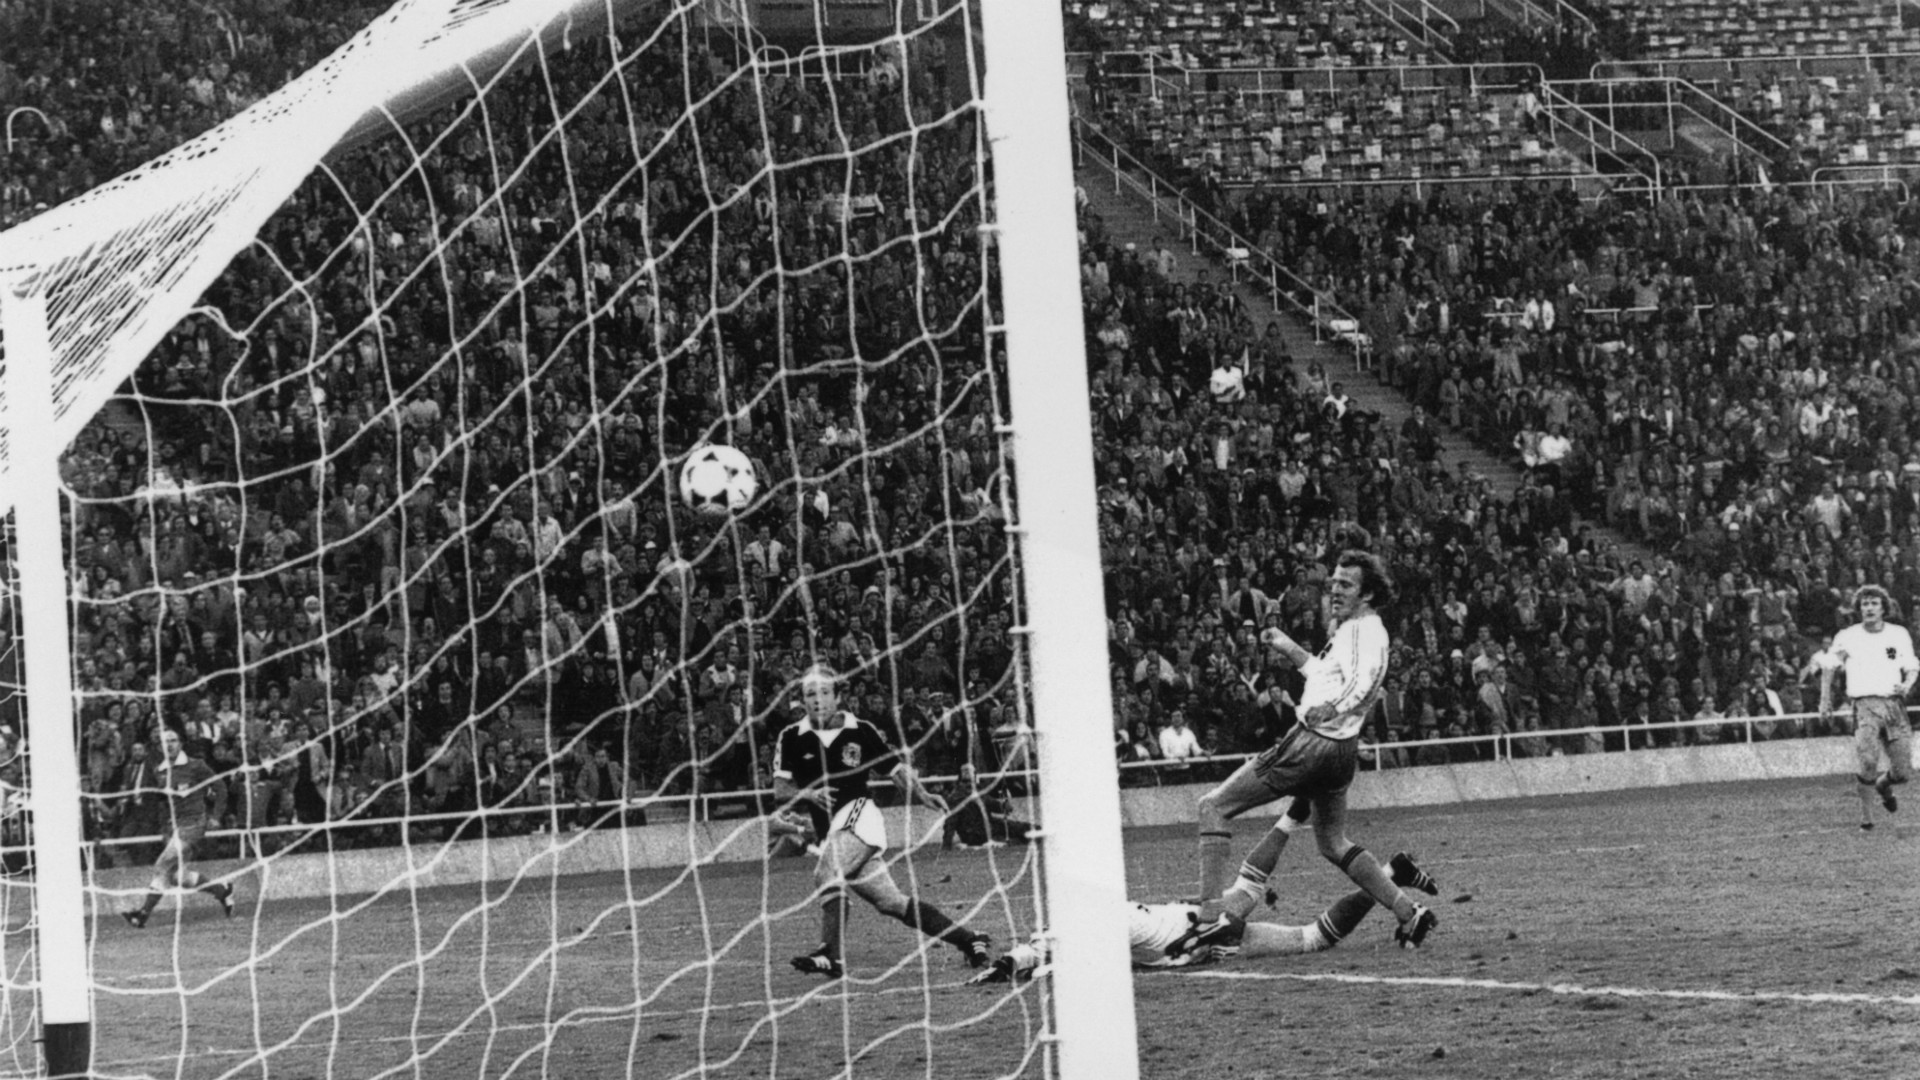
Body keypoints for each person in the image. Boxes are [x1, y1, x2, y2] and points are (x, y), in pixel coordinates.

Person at [1192, 551, 1436, 947]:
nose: (1334, 590)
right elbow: (1326, 675)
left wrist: (1333, 707)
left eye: (1346, 584)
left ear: (1368, 594)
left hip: (1313, 744)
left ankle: (1205, 920)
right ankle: (1409, 913)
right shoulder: (1353, 628)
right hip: (1340, 753)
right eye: (1334, 582)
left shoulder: (1366, 631)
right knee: (1333, 843)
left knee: (1213, 806)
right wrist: (1287, 645)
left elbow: (1363, 682)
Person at [777, 665, 993, 978]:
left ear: (838, 697)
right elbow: (780, 790)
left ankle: (830, 955)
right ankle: (970, 939)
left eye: (825, 693)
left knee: (827, 871)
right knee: (891, 902)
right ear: (803, 700)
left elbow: (895, 770)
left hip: (860, 817)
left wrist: (922, 794)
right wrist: (809, 794)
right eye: (811, 694)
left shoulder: (861, 730)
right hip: (834, 834)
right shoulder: (791, 737)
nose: (818, 700)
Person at [971, 852, 1439, 983]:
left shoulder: (1112, 924)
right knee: (1310, 935)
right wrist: (1012, 963)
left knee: (1308, 936)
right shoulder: (1098, 915)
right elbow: (1051, 943)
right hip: (1197, 925)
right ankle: (1392, 873)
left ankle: (1386, 873)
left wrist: (1022, 966)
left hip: (1207, 931)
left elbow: (1077, 958)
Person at [1819, 585, 1914, 831]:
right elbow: (1829, 666)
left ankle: (1884, 785)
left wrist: (1907, 683)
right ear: (1859, 608)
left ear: (1883, 607)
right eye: (1864, 604)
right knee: (1868, 761)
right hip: (1864, 706)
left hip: (1893, 705)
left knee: (1903, 772)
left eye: (1874, 603)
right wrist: (1824, 699)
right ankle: (1867, 819)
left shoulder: (1897, 634)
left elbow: (1909, 664)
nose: (1869, 608)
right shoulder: (1847, 636)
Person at [121, 727, 236, 927]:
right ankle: (222, 890)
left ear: (180, 744)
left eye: (173, 740)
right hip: (176, 825)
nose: (170, 745)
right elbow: (166, 801)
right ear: (160, 747)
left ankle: (142, 915)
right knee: (176, 876)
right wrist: (165, 826)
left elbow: (220, 787)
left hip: (194, 823)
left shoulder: (196, 765)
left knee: (161, 865)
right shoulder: (160, 771)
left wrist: (216, 816)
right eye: (166, 742)